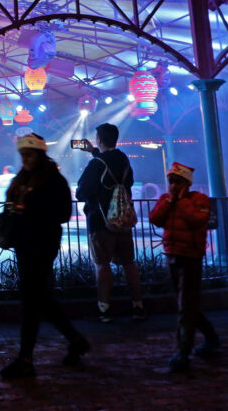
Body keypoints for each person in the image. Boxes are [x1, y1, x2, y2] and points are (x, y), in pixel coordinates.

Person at [0, 133, 90, 379]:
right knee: (40, 298)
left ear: (38, 155)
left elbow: (62, 212)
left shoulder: (53, 180)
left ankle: (26, 359)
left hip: (41, 243)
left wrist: (30, 212)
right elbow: (11, 204)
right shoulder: (23, 178)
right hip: (24, 243)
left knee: (31, 300)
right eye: (22, 155)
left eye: (28, 155)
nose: (24, 159)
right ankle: (75, 339)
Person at [149, 162, 220, 372]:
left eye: (177, 182)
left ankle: (183, 353)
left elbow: (198, 219)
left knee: (185, 305)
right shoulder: (166, 200)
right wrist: (170, 202)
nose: (172, 185)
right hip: (172, 255)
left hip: (190, 256)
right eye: (170, 181)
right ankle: (211, 337)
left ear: (187, 183)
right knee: (186, 304)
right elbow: (155, 218)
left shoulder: (199, 200)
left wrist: (180, 202)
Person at [76, 123, 146, 322]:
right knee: (128, 263)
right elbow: (127, 181)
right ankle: (138, 306)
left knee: (102, 263)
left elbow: (82, 192)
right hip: (123, 219)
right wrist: (94, 152)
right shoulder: (123, 160)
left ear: (99, 139)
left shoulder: (96, 164)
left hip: (100, 222)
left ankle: (105, 309)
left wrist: (95, 156)